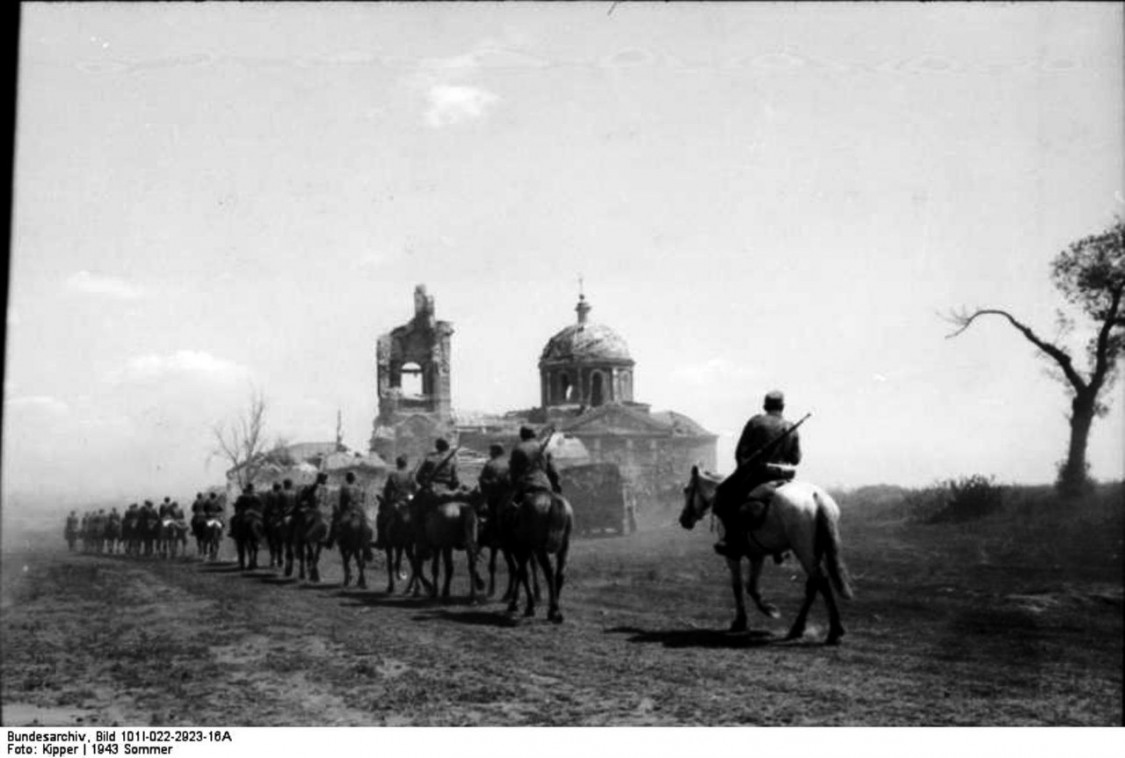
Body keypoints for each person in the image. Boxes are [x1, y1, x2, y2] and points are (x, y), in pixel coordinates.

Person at [713, 390, 802, 559]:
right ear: (782, 407)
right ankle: (782, 548)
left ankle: (731, 540)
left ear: (765, 406)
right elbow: (795, 458)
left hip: (758, 476)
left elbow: (740, 452)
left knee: (723, 494)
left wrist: (743, 469)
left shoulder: (756, 422)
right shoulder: (791, 427)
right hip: (783, 478)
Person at [508, 425, 562, 503]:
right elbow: (554, 471)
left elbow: (513, 473)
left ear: (522, 435)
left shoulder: (518, 449)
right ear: (534, 435)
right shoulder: (545, 448)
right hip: (545, 484)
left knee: (508, 509)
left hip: (526, 486)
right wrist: (558, 489)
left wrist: (513, 488)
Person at [376, 455, 415, 549]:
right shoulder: (411, 474)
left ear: (398, 464)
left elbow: (387, 490)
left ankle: (381, 540)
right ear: (406, 464)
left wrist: (387, 500)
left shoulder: (393, 474)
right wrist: (412, 497)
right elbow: (415, 488)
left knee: (381, 518)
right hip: (409, 501)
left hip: (396, 501)